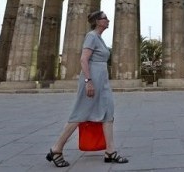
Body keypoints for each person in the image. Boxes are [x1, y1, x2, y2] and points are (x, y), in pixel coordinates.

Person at [46, 11, 128, 167]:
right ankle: (56, 149)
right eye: (105, 18)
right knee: (80, 114)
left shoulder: (99, 38)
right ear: (98, 21)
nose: (108, 20)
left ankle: (110, 151)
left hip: (102, 82)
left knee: (108, 113)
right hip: (92, 81)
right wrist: (88, 81)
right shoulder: (91, 36)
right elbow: (83, 59)